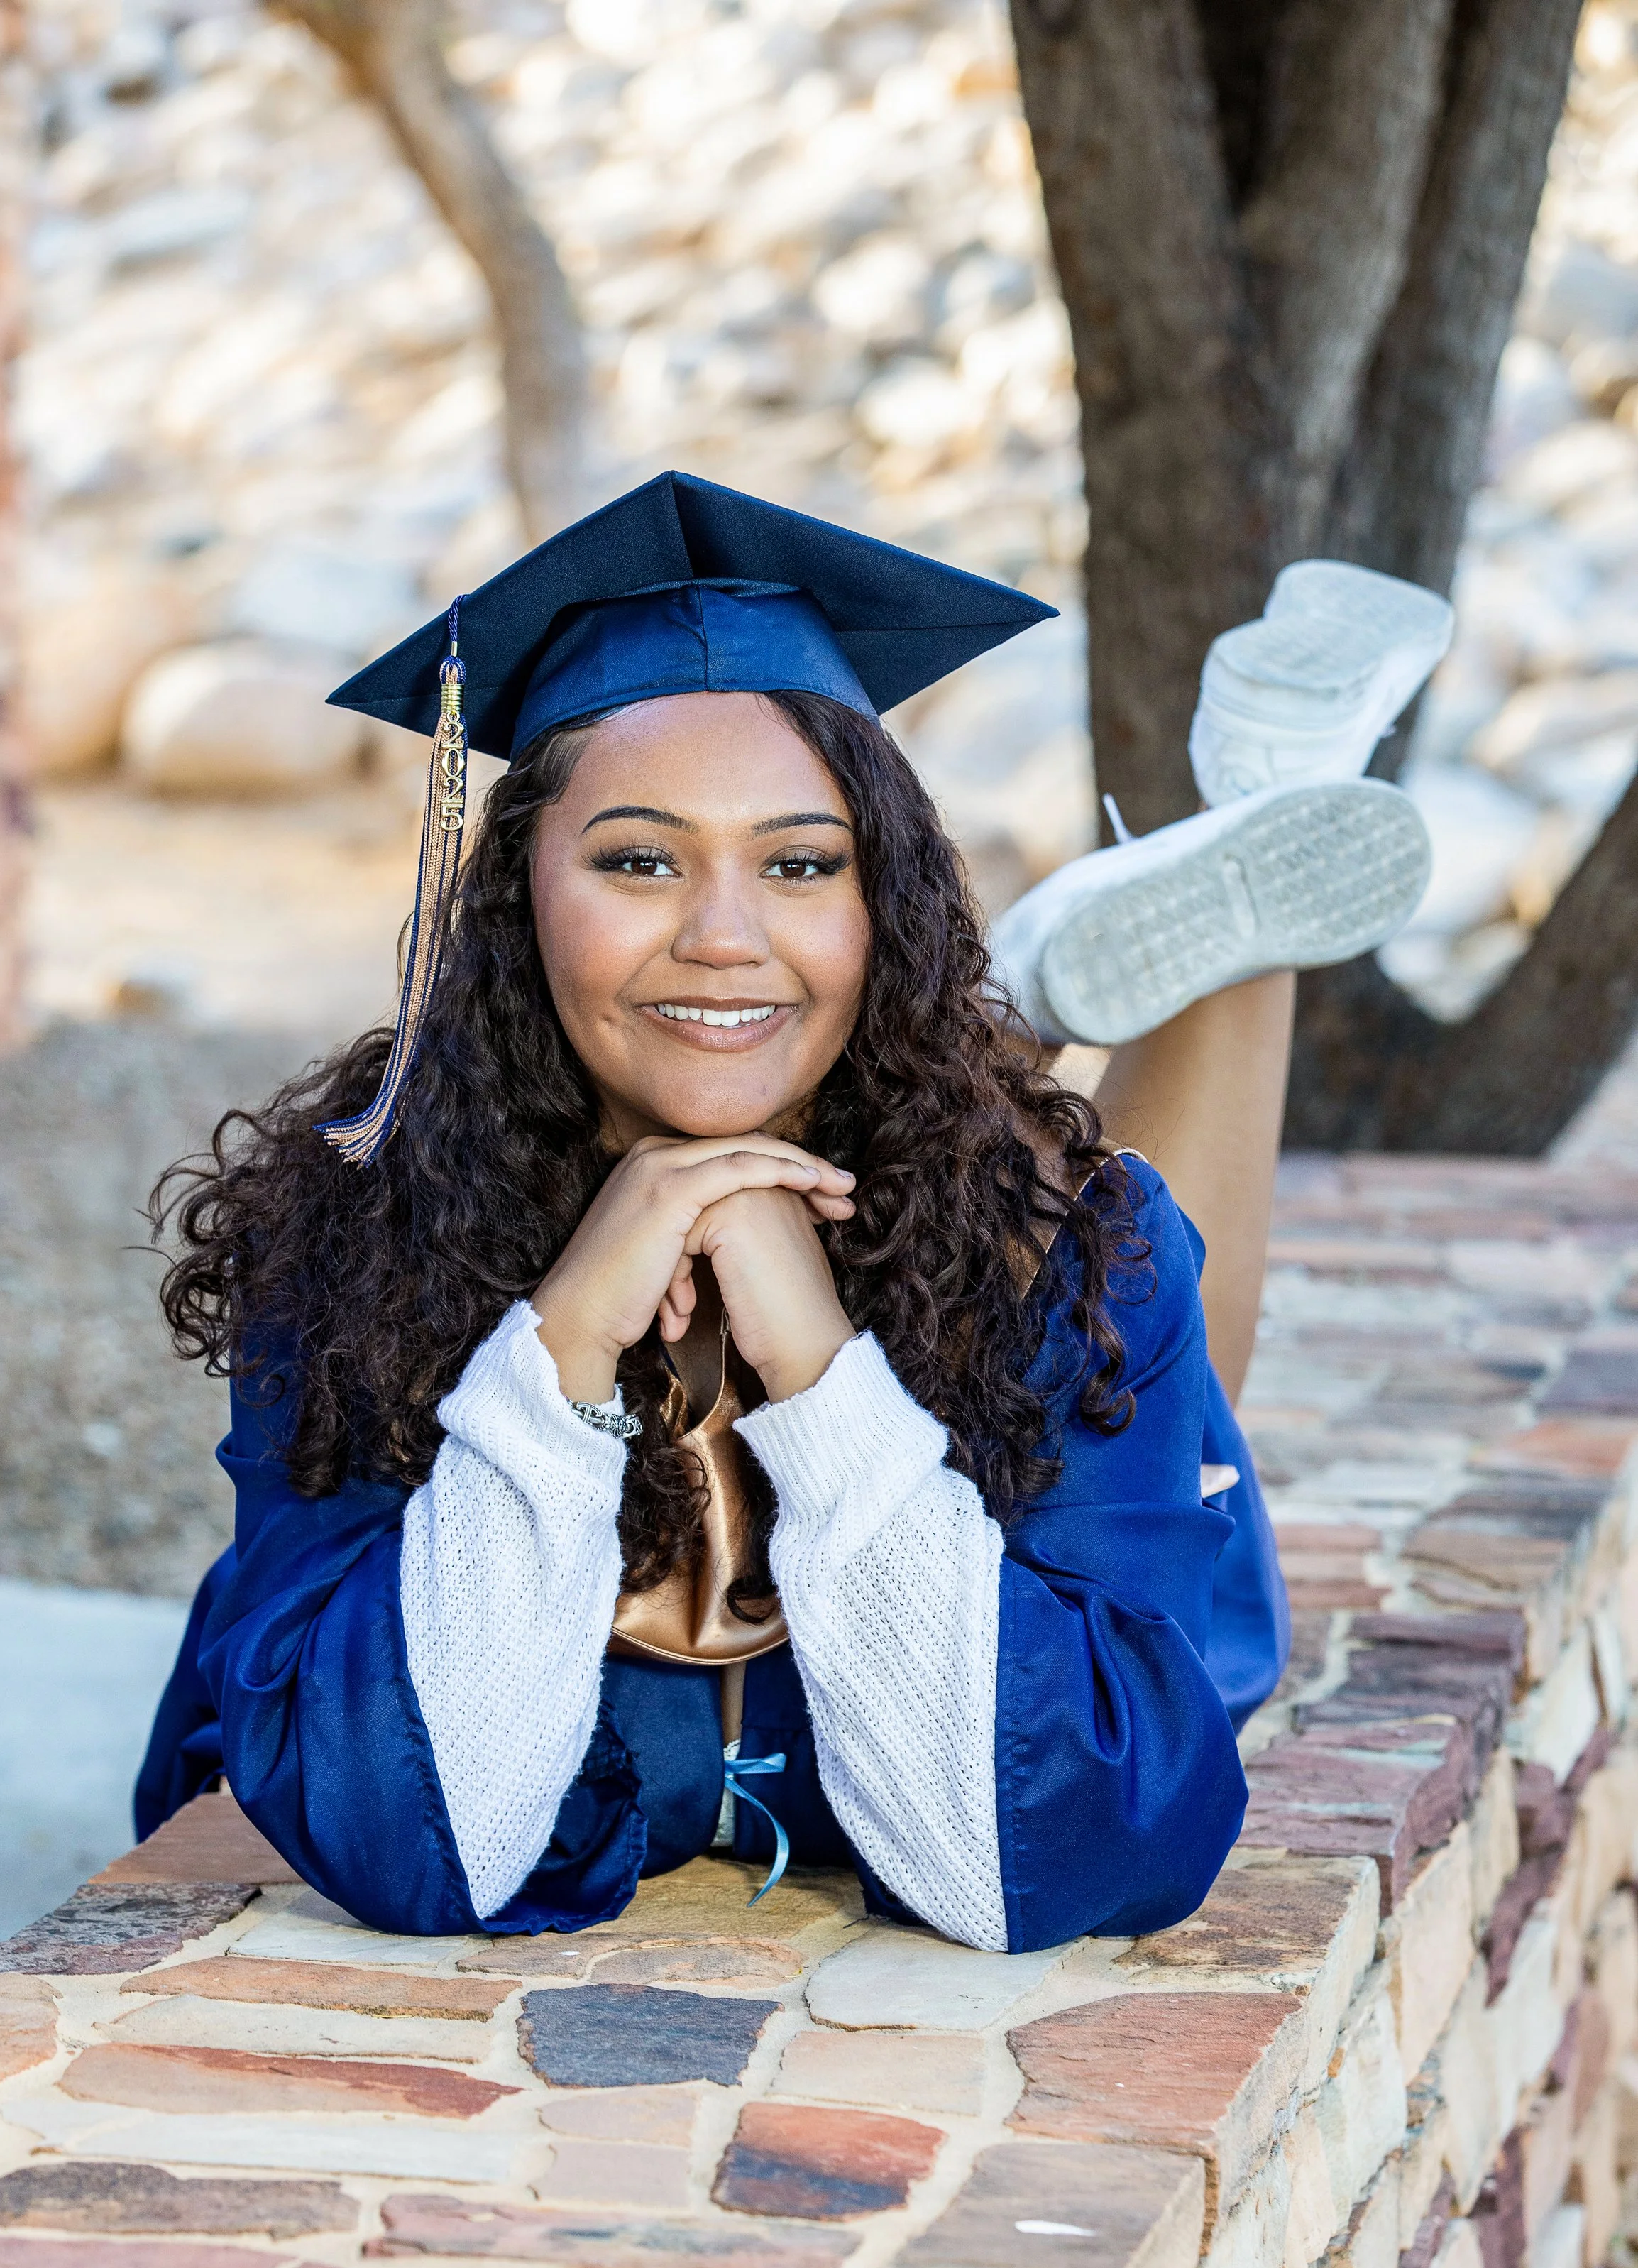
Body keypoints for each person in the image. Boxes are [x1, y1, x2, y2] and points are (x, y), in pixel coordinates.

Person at [136, 473, 1438, 1954]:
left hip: (1018, 1259)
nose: (721, 930)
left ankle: (1249, 817)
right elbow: (408, 1827)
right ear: (513, 898)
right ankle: (1176, 872)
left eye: (801, 864)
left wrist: (816, 1360)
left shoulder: (1058, 1253)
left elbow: (1074, 1842)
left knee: (1109, 1264)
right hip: (830, 1154)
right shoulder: (361, 1243)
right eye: (636, 860)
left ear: (880, 898)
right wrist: (564, 1338)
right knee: (1030, 1203)